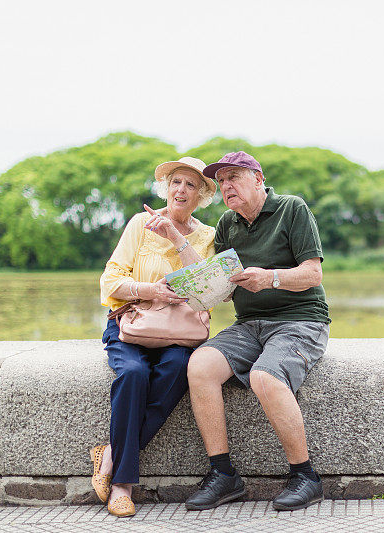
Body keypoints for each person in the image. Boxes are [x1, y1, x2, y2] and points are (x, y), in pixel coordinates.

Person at [184, 151, 330, 512]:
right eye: (221, 182)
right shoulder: (226, 224)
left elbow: (313, 274)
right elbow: (222, 287)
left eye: (234, 177)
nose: (226, 186)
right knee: (199, 366)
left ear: (258, 178)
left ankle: (305, 477)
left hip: (300, 320)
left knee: (266, 376)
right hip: (248, 326)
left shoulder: (292, 208)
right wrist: (194, 287)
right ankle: (224, 476)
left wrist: (270, 277)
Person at [93, 156, 216, 517]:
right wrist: (151, 291)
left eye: (191, 185)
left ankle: (112, 454)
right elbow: (110, 281)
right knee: (133, 374)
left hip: (178, 334)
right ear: (166, 188)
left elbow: (208, 287)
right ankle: (122, 484)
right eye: (176, 182)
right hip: (130, 325)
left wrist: (176, 236)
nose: (181, 190)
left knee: (178, 370)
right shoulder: (139, 223)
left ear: (202, 195)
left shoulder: (207, 235)